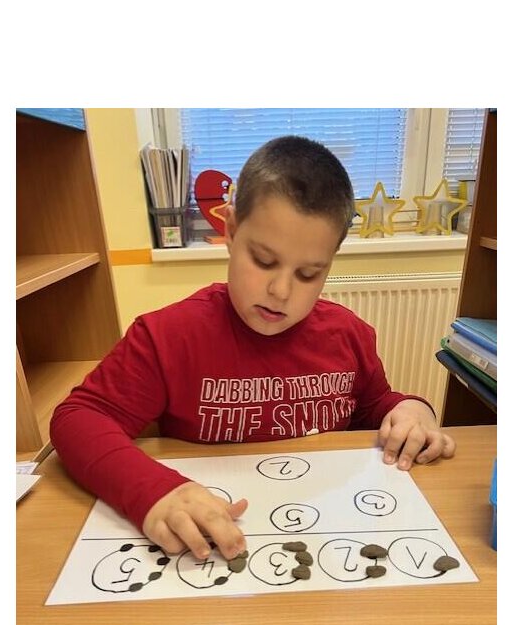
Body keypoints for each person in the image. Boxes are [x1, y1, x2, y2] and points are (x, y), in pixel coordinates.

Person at [51, 135, 454, 562]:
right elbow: (78, 418)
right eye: (263, 260)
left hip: (321, 535)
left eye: (309, 274)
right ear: (230, 230)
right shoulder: (167, 337)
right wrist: (153, 492)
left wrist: (413, 410)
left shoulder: (349, 335)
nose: (280, 291)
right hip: (214, 547)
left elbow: (376, 406)